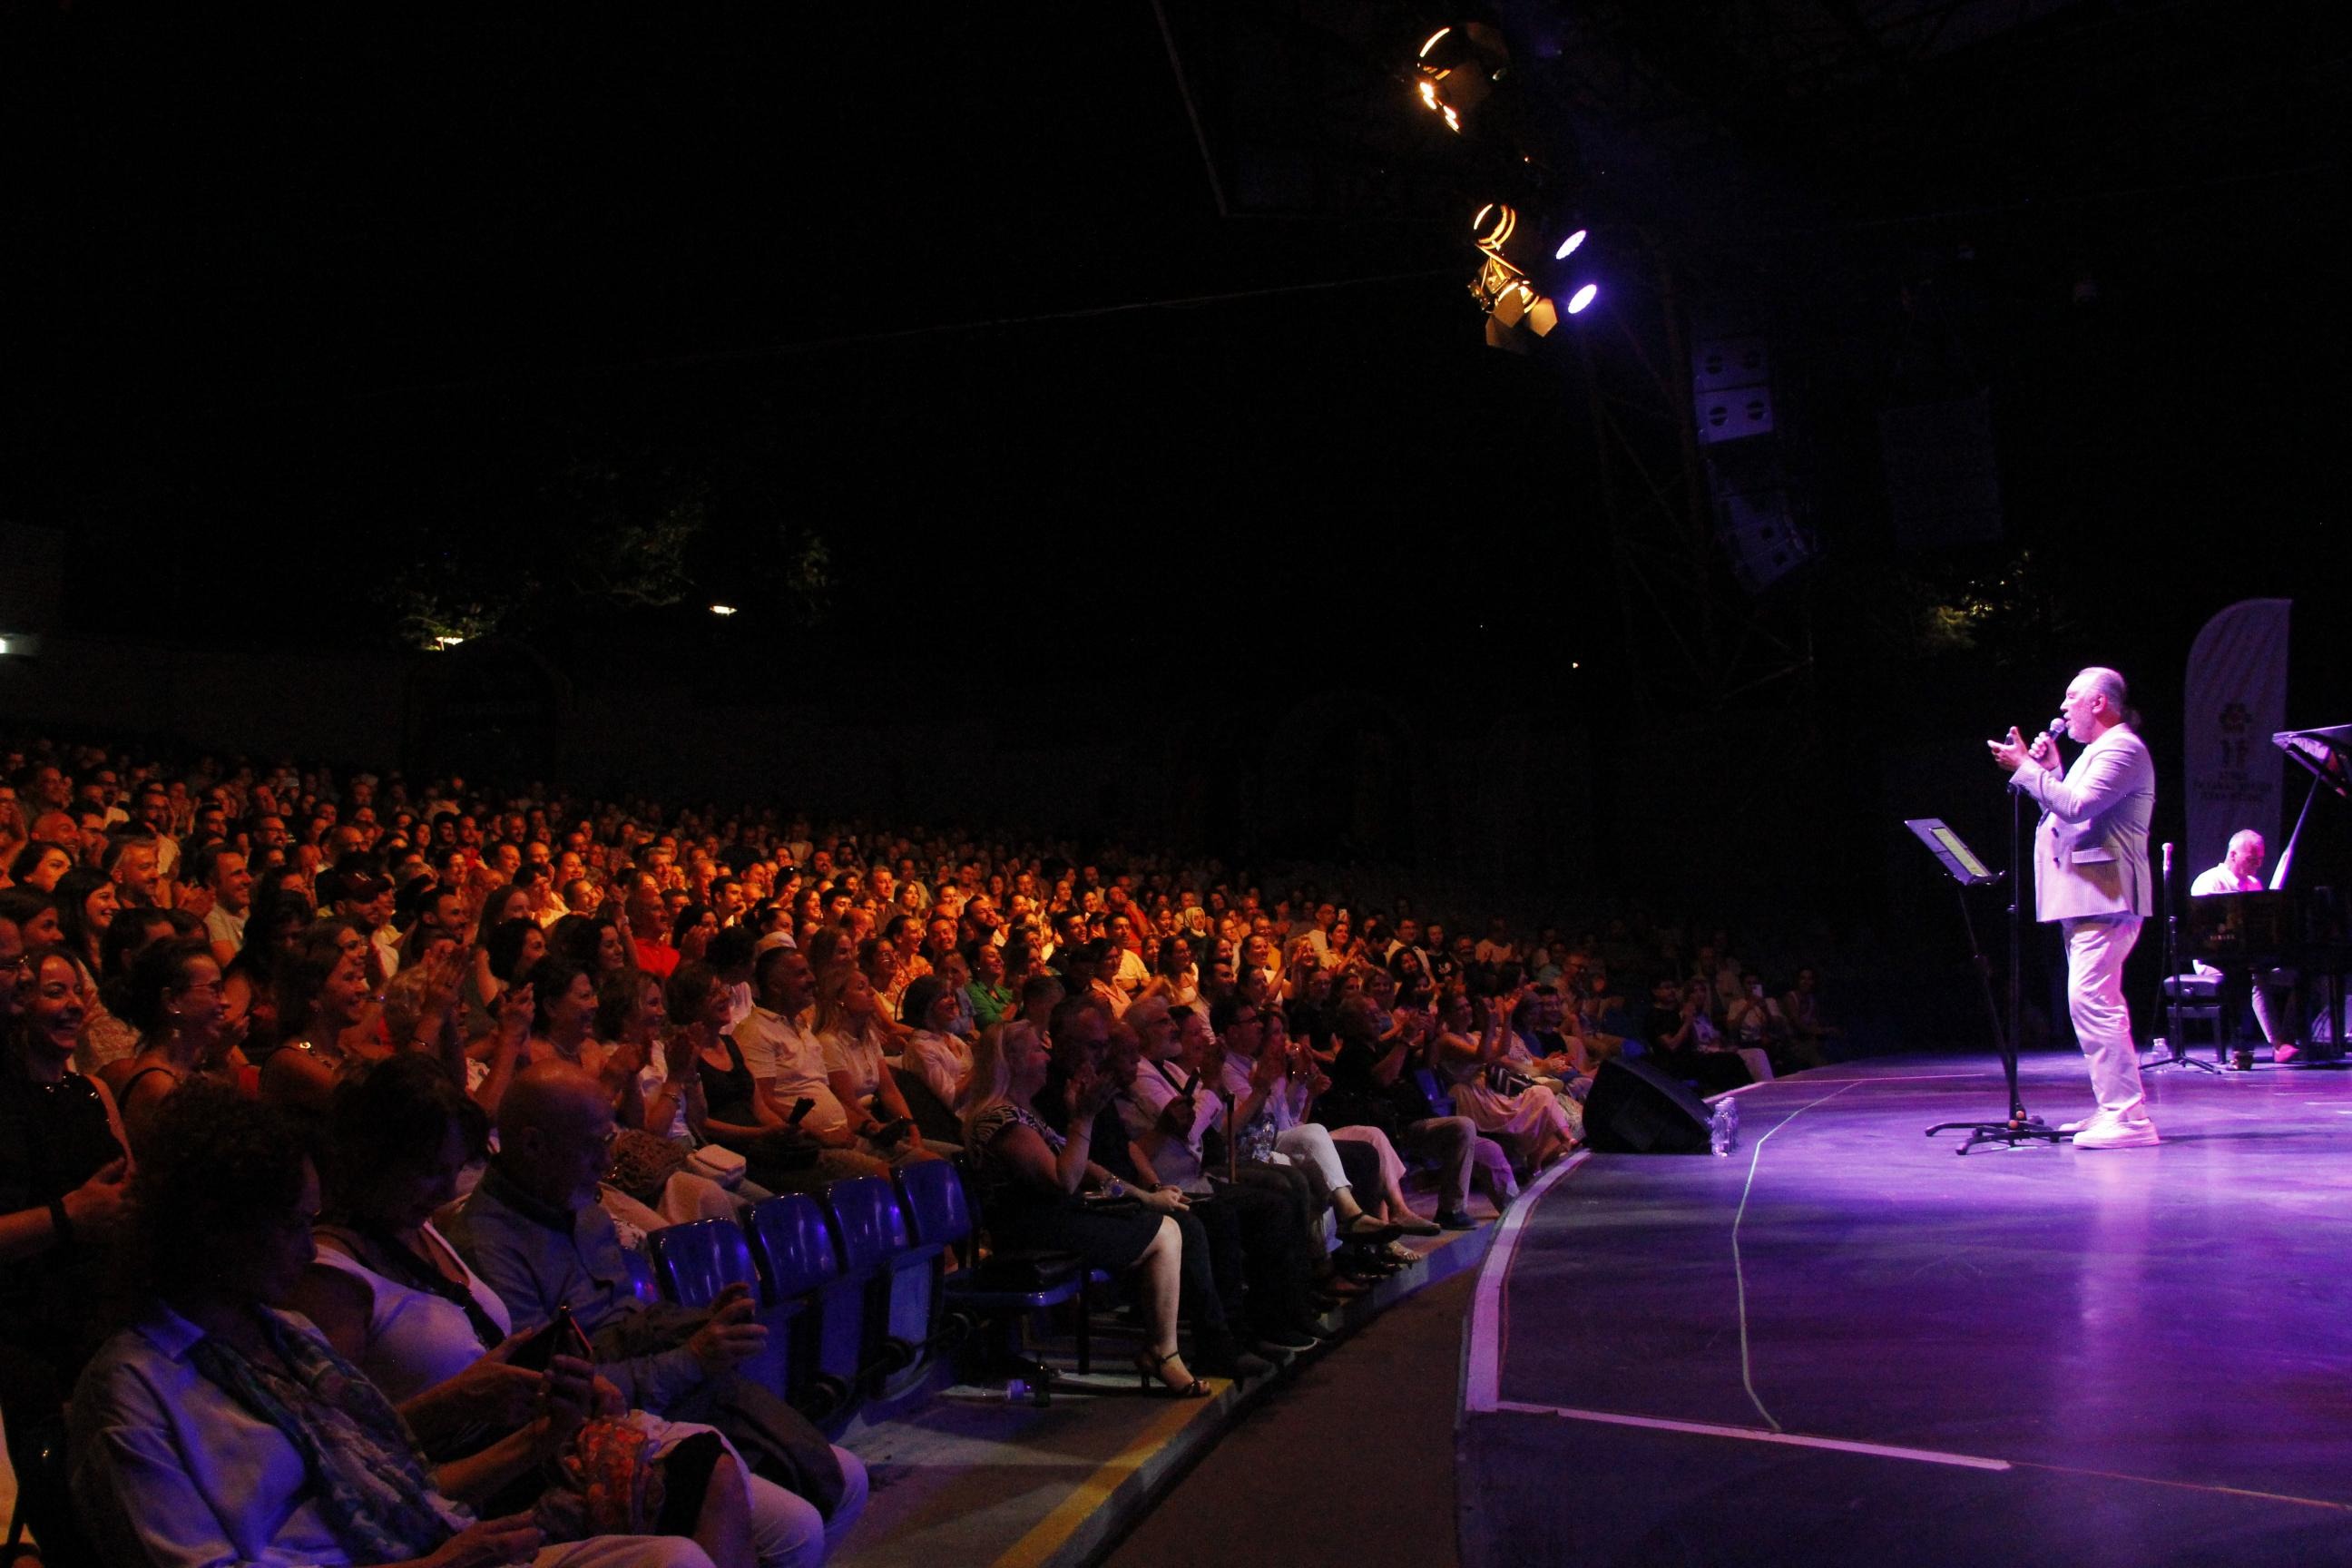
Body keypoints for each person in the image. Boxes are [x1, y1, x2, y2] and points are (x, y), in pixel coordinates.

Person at [69, 1081, 722, 1568]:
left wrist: (541, 1438)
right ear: (217, 1233)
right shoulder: (135, 1389)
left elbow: (393, 1484)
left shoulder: (282, 1338)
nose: (307, 1248)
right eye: (292, 1227)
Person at [441, 1065, 869, 1563]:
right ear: (534, 1145)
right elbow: (554, 1397)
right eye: (593, 1146)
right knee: (796, 1527)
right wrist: (692, 1357)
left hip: (663, 1400)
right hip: (590, 1436)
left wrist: (698, 1325)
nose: (605, 1164)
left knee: (848, 1479)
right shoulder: (489, 1249)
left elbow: (629, 1327)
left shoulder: (582, 1208)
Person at [959, 1022, 1214, 1395]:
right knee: (1165, 1233)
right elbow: (1064, 1179)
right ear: (1010, 1061)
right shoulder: (1000, 1120)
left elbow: (1083, 1166)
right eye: (1035, 1049)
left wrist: (1144, 1195)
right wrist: (1084, 1117)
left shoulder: (1022, 1111)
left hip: (1053, 1218)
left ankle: (1163, 1350)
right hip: (1031, 1228)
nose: (1046, 1056)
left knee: (1167, 1223)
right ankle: (1163, 1353)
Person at [1989, 665, 2158, 1149]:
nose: (2063, 708)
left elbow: (2078, 808)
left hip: (2105, 895)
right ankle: (2113, 1109)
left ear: (2099, 703)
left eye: (2071, 698)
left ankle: (2128, 1119)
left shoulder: (2122, 748)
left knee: (2093, 1001)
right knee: (2089, 1002)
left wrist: (2025, 769)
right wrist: (2049, 773)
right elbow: (2070, 805)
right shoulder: (2095, 753)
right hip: (2087, 895)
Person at [2189, 828, 2297, 1063]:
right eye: (2252, 859)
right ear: (2233, 854)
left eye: (2260, 860)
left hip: (2248, 958)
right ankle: (2276, 1044)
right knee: (2252, 976)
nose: (2257, 865)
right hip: (2214, 961)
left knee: (2300, 974)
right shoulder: (2209, 882)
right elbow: (2205, 934)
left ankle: (2291, 1038)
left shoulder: (2254, 884)